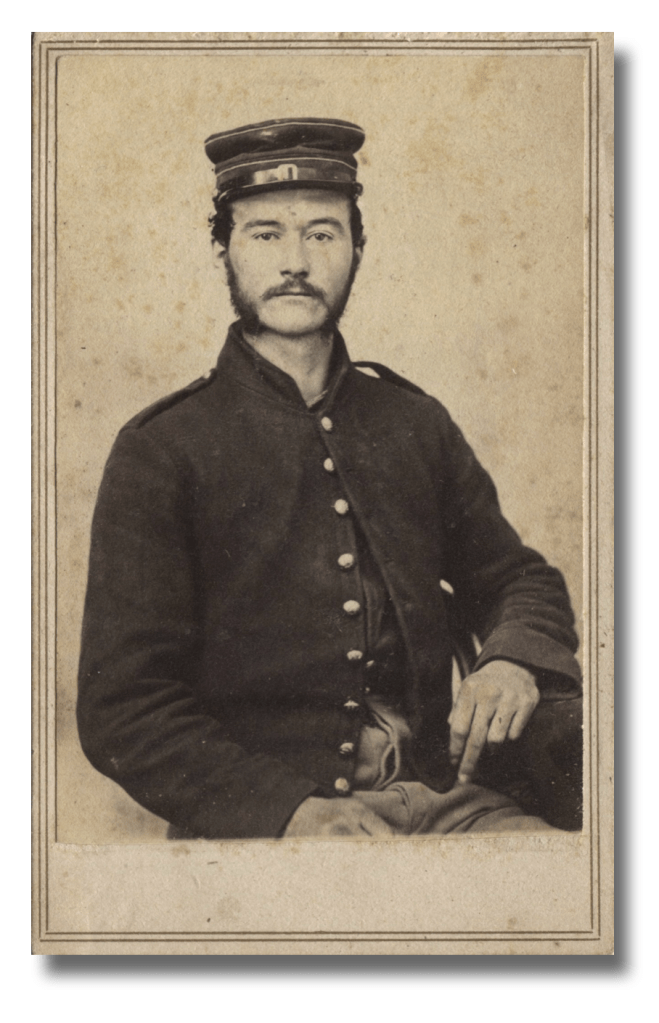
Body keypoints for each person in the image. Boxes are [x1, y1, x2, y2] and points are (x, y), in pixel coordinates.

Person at [77, 117, 582, 840]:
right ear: (222, 250)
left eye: (321, 233)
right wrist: (288, 810)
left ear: (357, 250)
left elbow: (519, 578)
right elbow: (123, 708)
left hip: (451, 804)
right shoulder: (161, 449)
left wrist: (510, 661)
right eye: (265, 235)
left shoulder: (412, 422)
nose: (295, 262)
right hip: (268, 828)